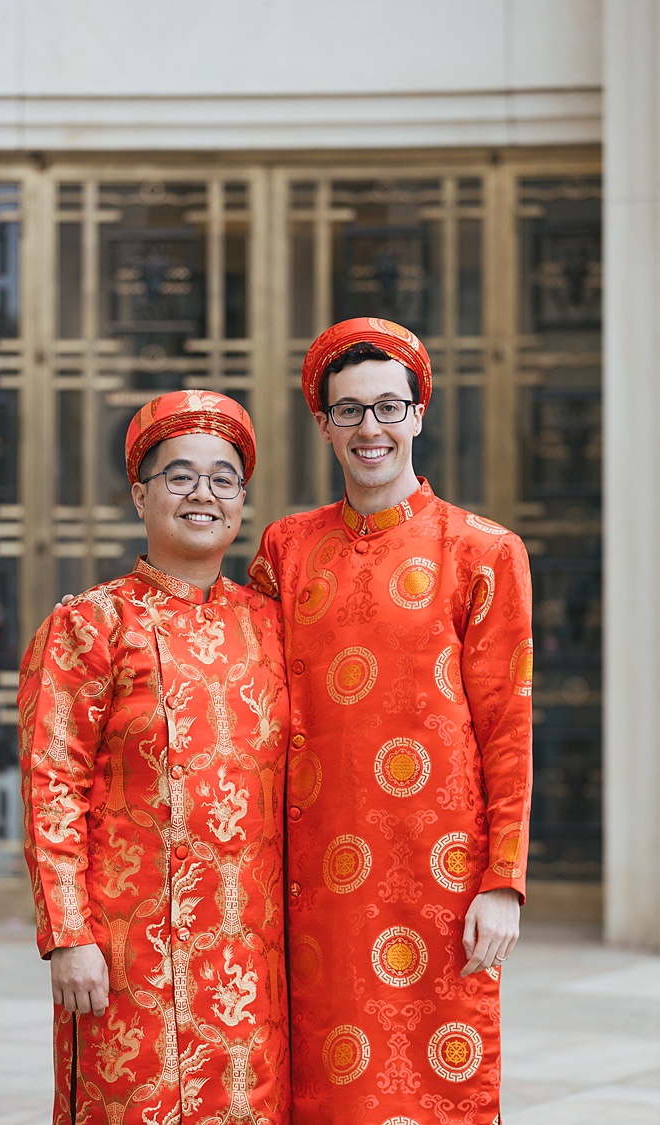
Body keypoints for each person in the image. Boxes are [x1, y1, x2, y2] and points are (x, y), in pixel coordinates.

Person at [249, 318, 533, 1124]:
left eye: (386, 407)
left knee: (438, 1088)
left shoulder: (483, 550)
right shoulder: (285, 547)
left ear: (417, 413)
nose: (368, 428)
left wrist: (502, 882)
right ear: (324, 424)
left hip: (439, 879)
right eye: (348, 411)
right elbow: (247, 681)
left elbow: (508, 726)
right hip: (312, 882)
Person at [19, 390, 290, 1125]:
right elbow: (52, 785)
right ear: (140, 495)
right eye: (180, 475)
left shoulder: (273, 623)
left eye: (223, 478)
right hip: (128, 955)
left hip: (252, 959)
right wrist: (69, 935)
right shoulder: (91, 623)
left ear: (241, 500)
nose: (203, 493)